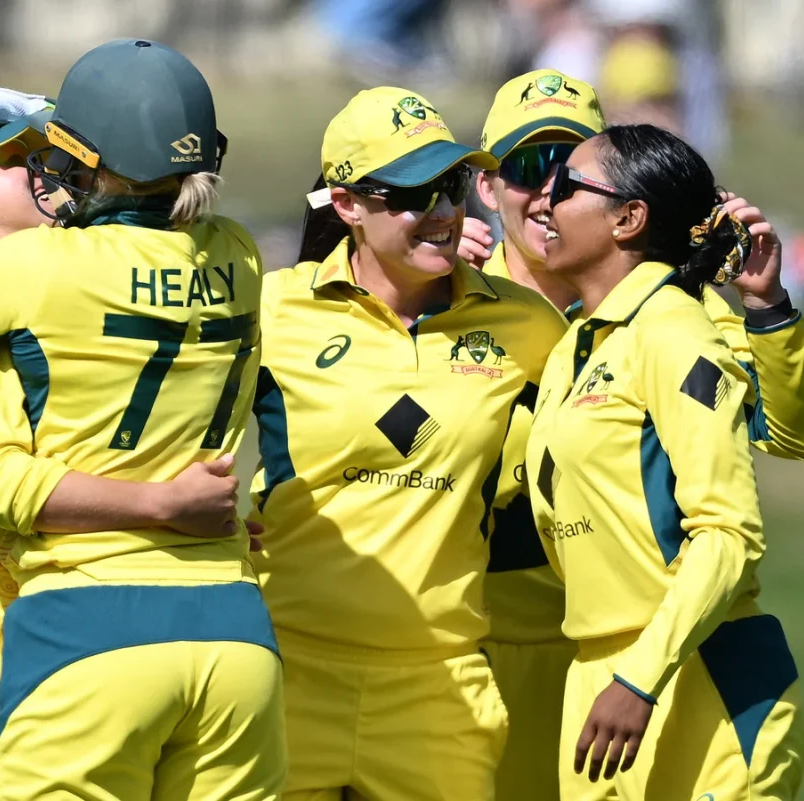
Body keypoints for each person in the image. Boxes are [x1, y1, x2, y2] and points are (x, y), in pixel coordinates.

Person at [0, 40, 285, 800]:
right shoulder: (238, 250)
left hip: (88, 622)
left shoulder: (23, 271)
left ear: (90, 157)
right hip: (237, 626)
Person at [459, 68, 804, 801]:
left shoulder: (675, 316)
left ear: (629, 210)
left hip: (662, 654)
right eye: (531, 168)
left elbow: (787, 445)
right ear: (488, 188)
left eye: (568, 170)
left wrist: (765, 309)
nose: (548, 193)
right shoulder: (455, 306)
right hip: (502, 649)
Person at [252, 86, 566, 800]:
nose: (443, 211)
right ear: (346, 204)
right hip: (289, 667)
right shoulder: (274, 308)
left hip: (440, 685)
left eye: (450, 187)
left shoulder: (527, 325)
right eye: (412, 194)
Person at [529, 122, 804, 800]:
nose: (544, 201)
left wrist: (639, 678)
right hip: (598, 680)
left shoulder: (676, 333)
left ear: (628, 218)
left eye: (566, 186)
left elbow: (729, 533)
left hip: (696, 684)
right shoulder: (574, 346)